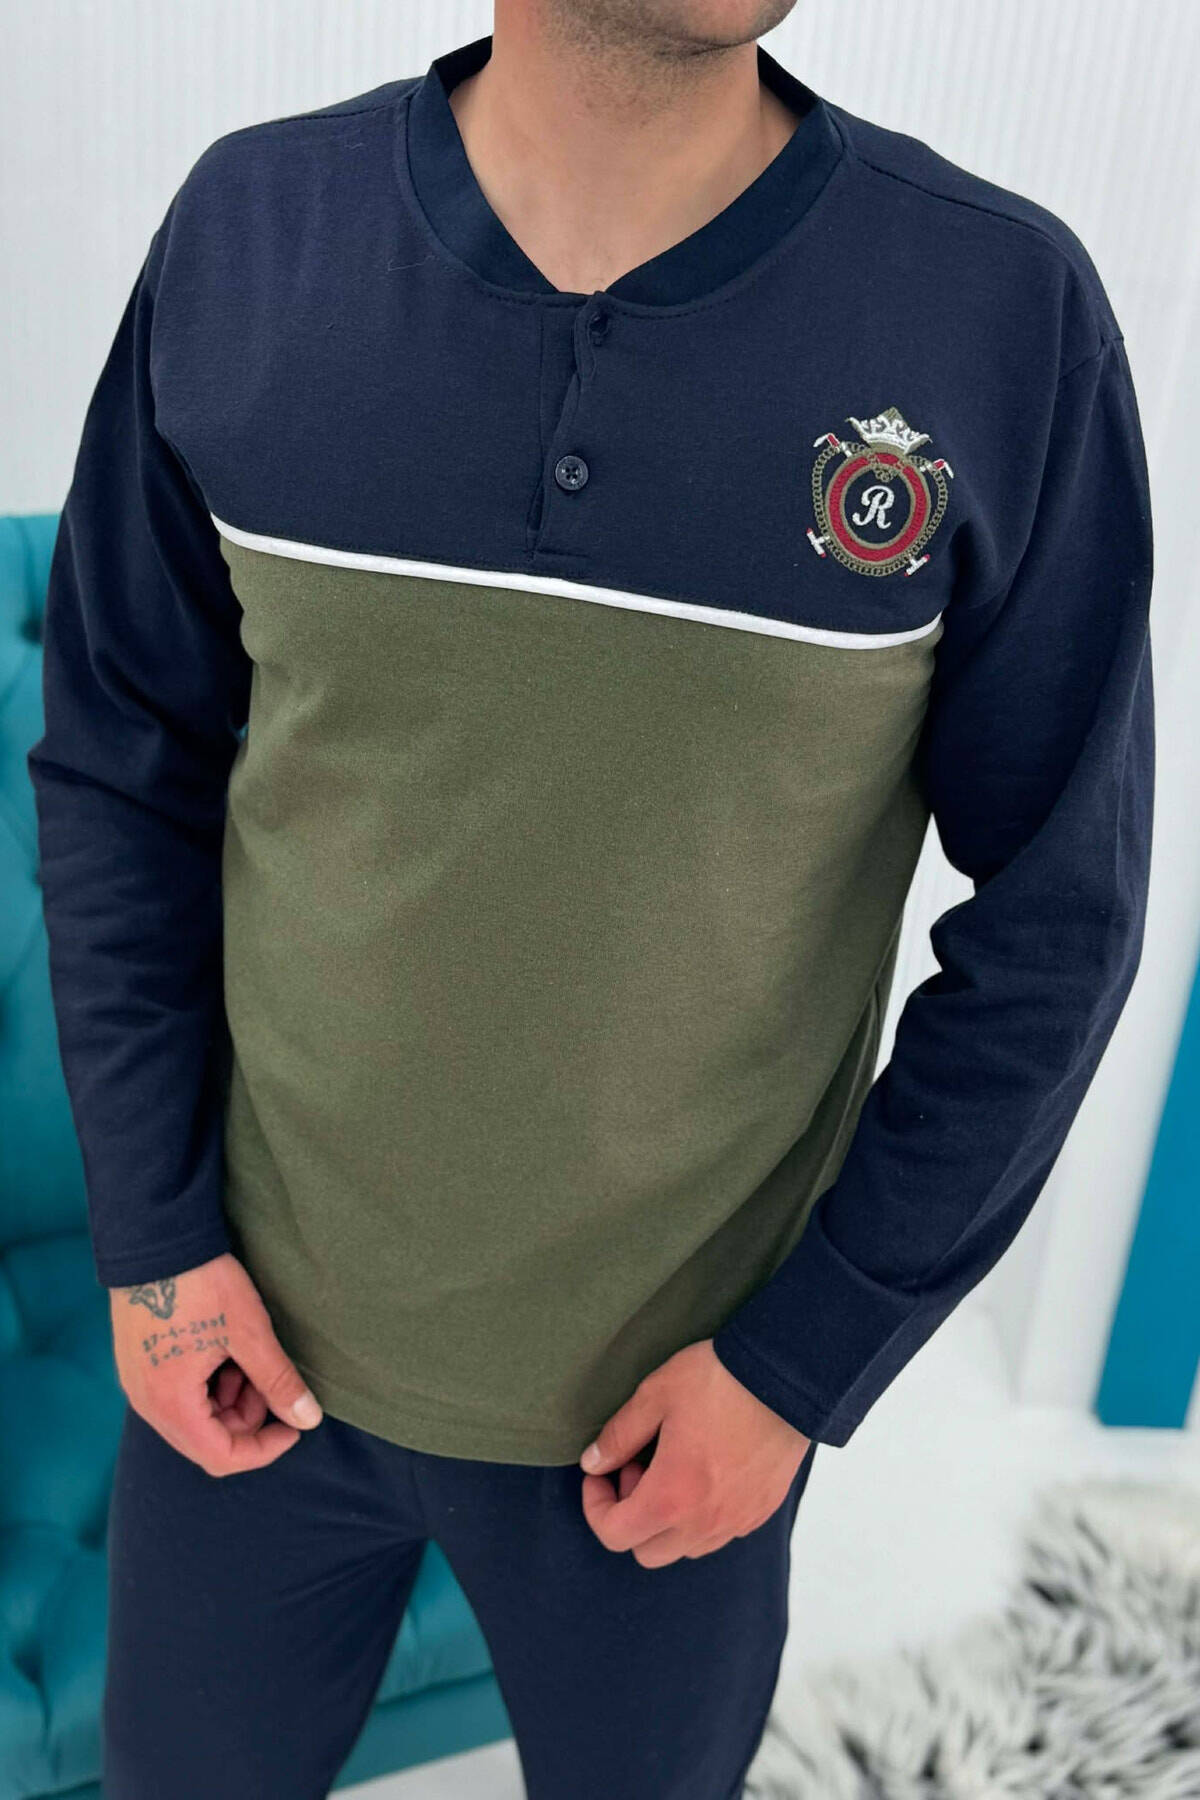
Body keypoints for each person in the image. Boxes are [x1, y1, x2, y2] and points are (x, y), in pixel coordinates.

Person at [27, 2, 1155, 1795]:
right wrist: (157, 1245)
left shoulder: (997, 314)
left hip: (669, 1426)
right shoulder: (251, 231)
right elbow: (119, 762)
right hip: (245, 1366)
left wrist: (798, 1368)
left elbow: (1059, 914)